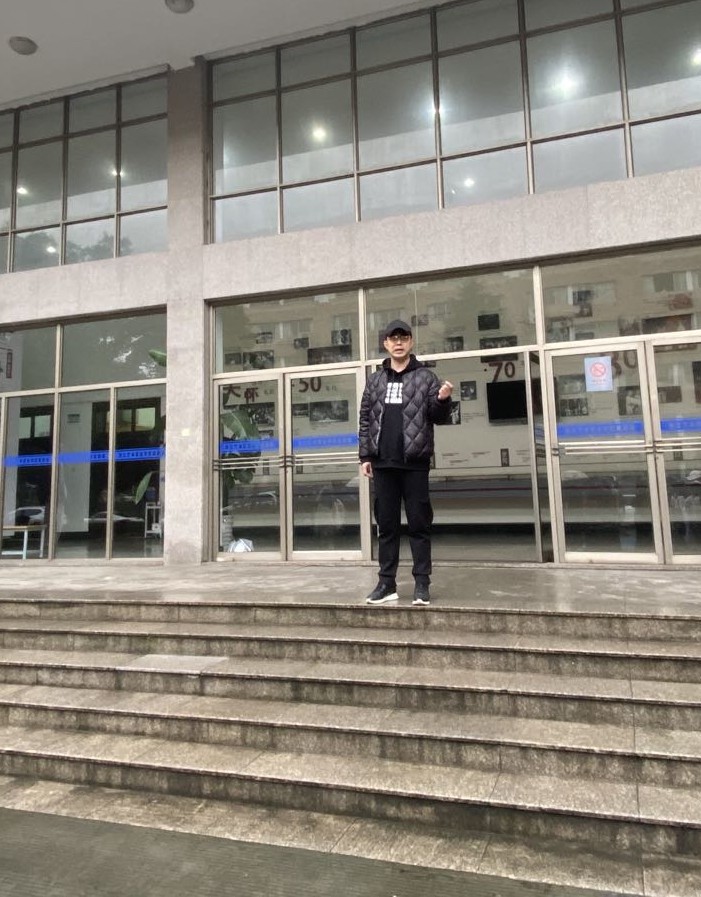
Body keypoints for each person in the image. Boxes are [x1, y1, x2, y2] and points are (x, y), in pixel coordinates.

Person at [358, 319, 453, 607]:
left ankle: (422, 584)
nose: (398, 343)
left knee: (419, 525)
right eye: (393, 338)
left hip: (414, 463)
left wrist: (443, 400)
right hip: (383, 464)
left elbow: (437, 417)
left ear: (410, 342)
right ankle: (386, 584)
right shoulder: (375, 380)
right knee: (386, 527)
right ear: (385, 344)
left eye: (403, 338)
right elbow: (365, 420)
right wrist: (365, 456)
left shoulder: (426, 377)